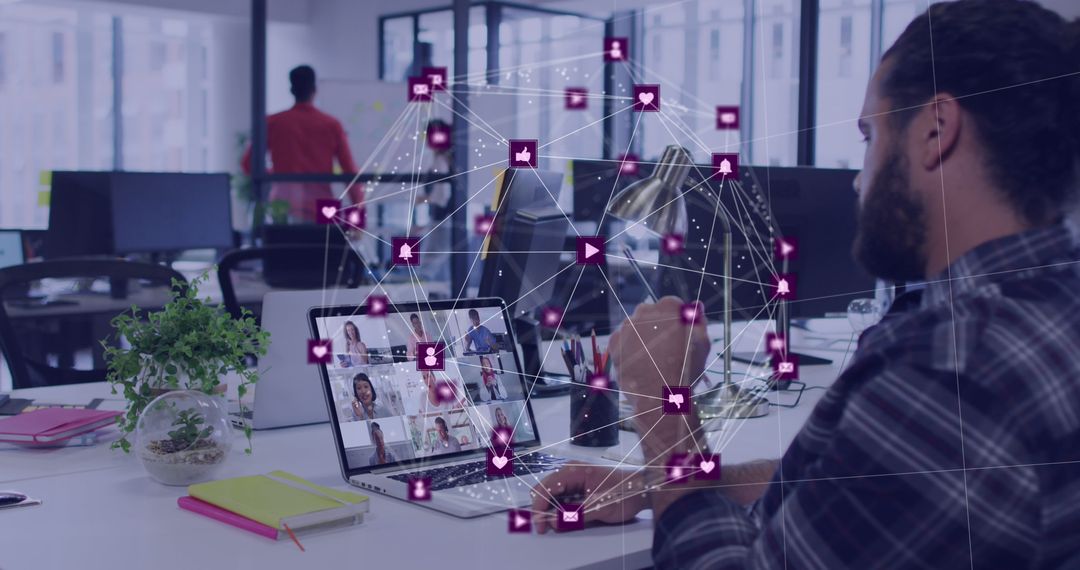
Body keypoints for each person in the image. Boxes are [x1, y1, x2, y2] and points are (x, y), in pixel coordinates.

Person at [532, 2, 1080, 568]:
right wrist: (654, 488)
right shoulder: (1046, 310)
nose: (860, 181)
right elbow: (857, 489)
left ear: (936, 131)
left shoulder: (952, 366)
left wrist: (660, 403)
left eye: (870, 136)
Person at [242, 65, 363, 223]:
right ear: (314, 89)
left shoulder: (273, 123)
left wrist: (276, 174)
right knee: (322, 247)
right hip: (322, 206)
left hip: (283, 205)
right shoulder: (331, 125)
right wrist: (358, 217)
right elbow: (349, 172)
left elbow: (247, 164)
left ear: (292, 90)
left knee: (283, 247)